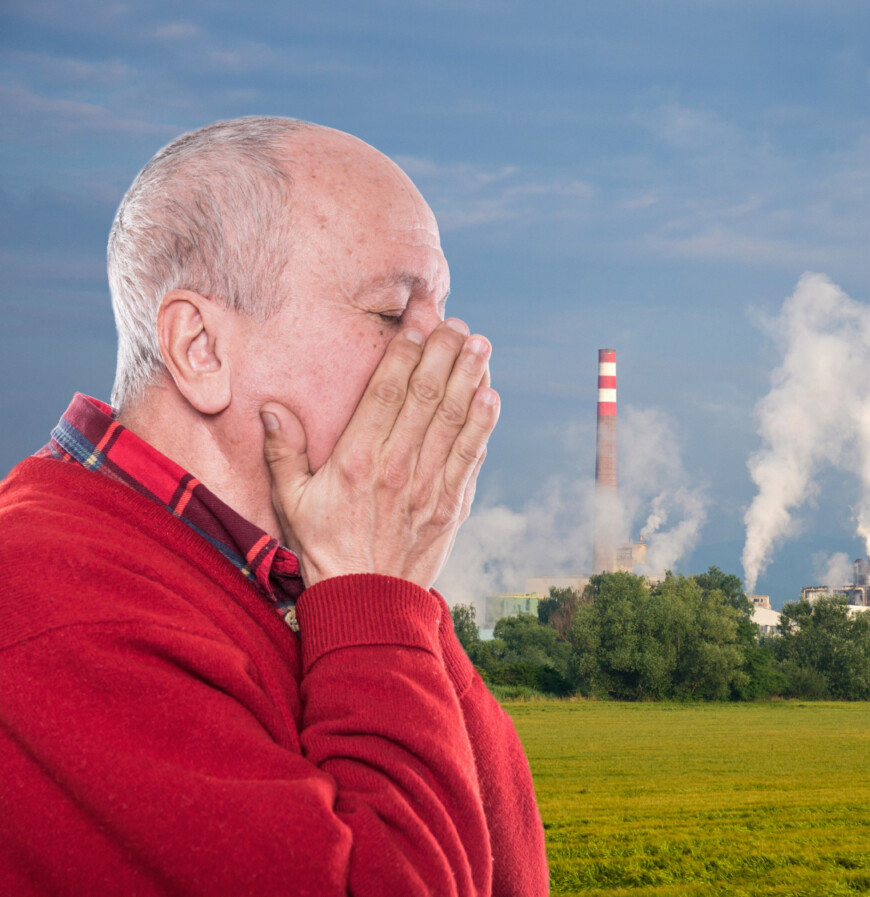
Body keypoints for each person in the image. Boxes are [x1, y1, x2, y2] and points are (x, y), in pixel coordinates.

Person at [0, 117, 549, 896]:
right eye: (393, 313)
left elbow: (502, 871)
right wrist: (377, 599)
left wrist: (393, 583)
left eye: (440, 308)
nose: (445, 348)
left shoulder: (304, 576)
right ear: (202, 349)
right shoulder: (49, 603)